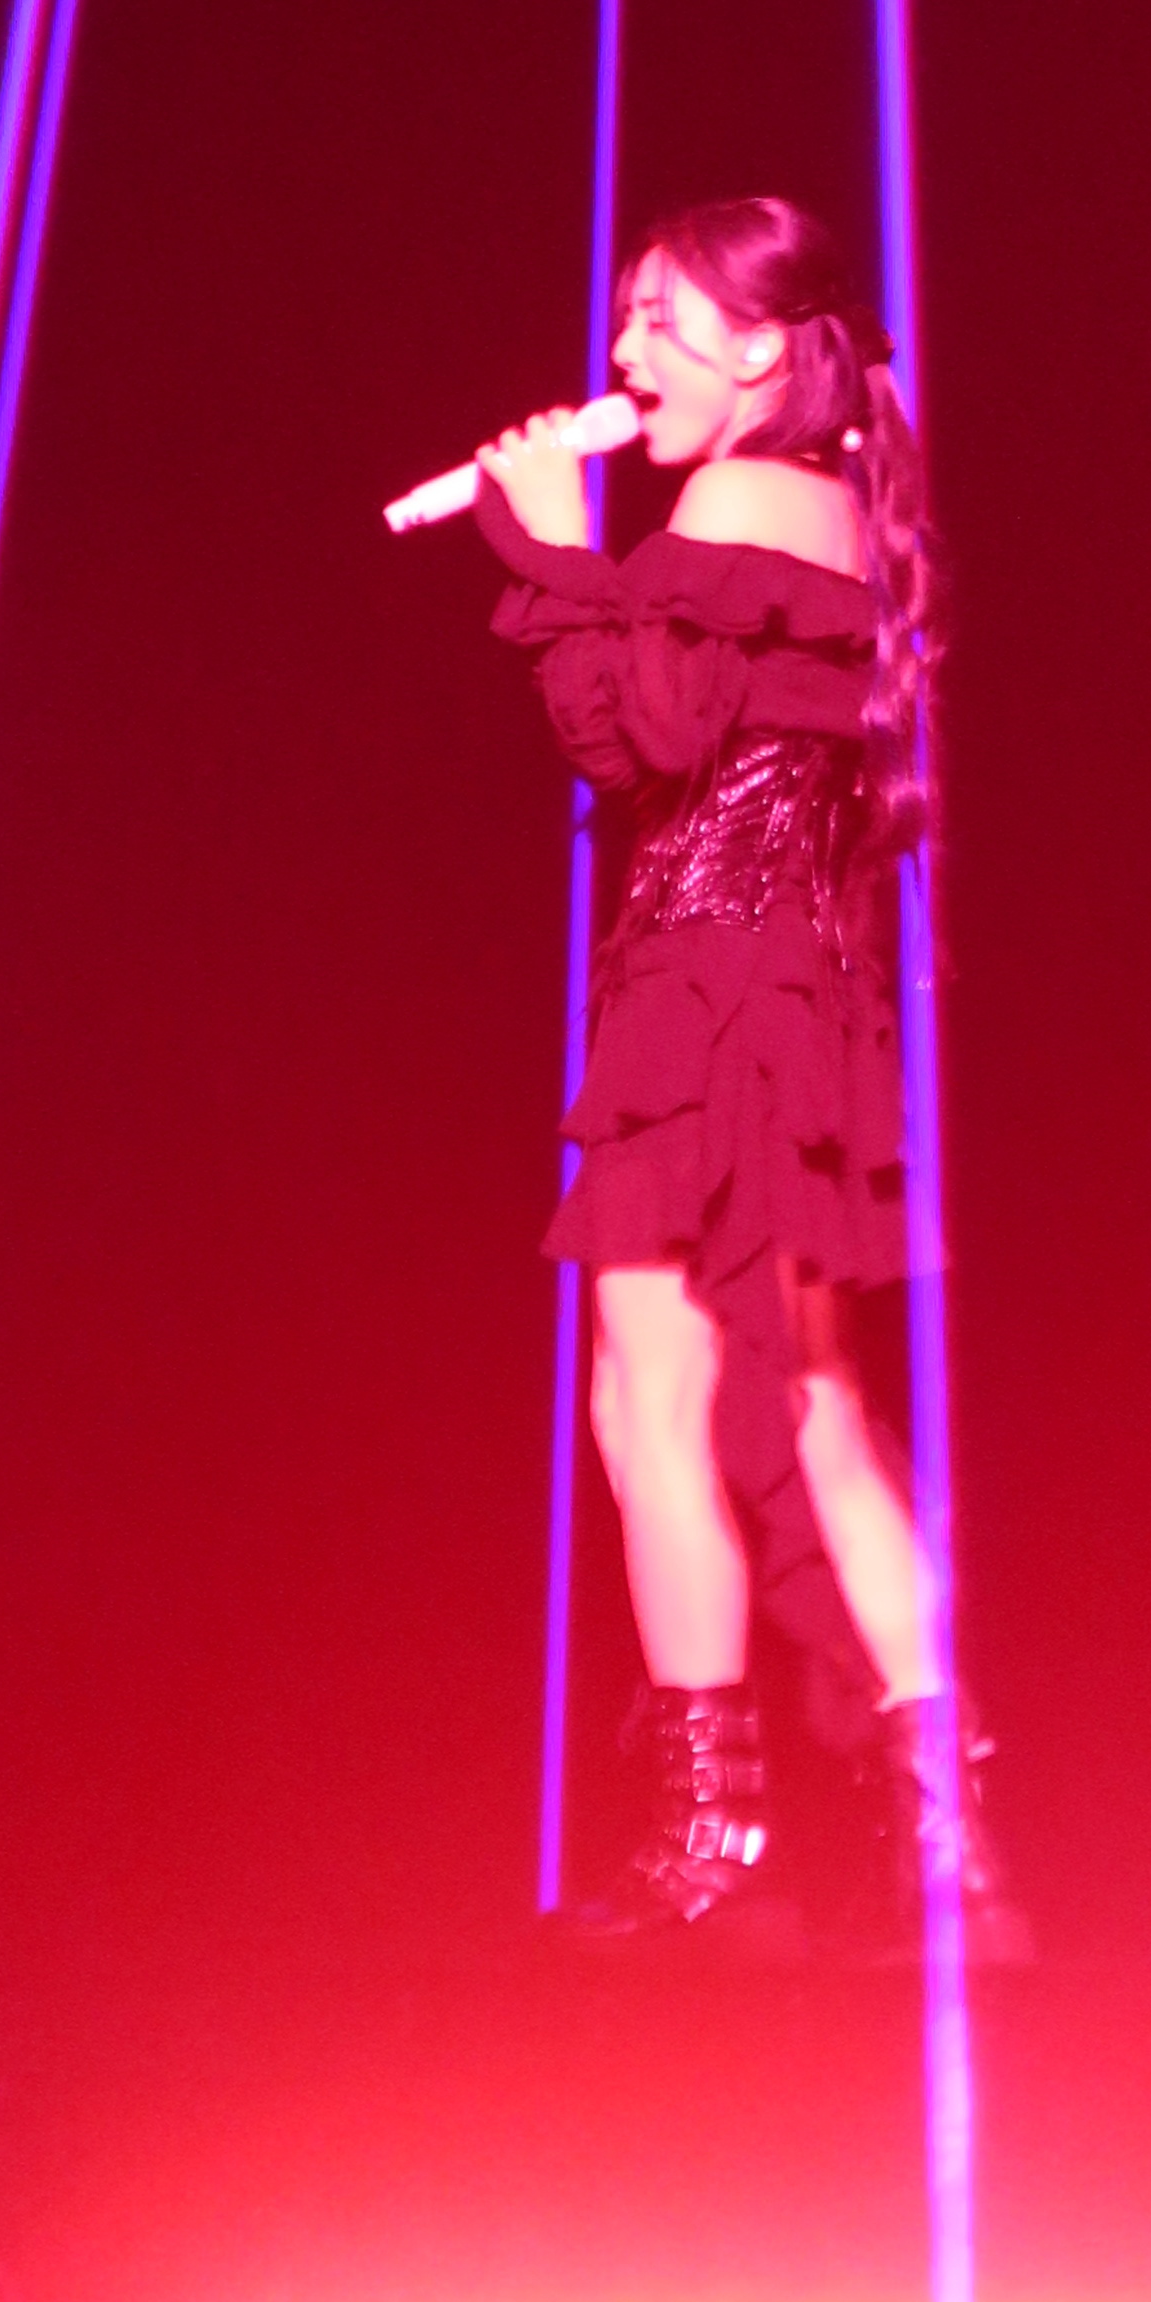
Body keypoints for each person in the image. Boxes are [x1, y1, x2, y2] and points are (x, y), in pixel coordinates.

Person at [471, 194, 1020, 1952]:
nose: (623, 351)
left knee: (662, 1402)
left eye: (659, 317)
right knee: (796, 1408)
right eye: (626, 318)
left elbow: (643, 736)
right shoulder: (830, 504)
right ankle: (938, 1825)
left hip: (714, 992)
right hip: (780, 989)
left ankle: (720, 1838)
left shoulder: (735, 501)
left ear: (764, 347)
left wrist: (548, 547)